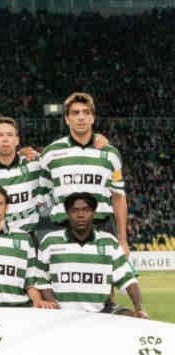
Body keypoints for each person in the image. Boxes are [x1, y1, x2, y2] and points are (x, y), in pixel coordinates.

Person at [39, 92, 129, 256]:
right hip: (62, 232)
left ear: (93, 118)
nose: (81, 117)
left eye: (86, 112)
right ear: (67, 119)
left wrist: (123, 240)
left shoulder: (110, 154)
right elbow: (43, 199)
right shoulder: (51, 153)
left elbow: (118, 197)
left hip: (101, 230)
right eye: (75, 113)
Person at [37, 192, 148, 317]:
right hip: (62, 313)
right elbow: (41, 279)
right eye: (75, 210)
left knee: (131, 317)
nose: (80, 215)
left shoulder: (108, 242)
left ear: (93, 213)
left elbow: (128, 279)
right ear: (67, 214)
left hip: (101, 311)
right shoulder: (50, 242)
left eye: (86, 210)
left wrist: (139, 308)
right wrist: (52, 303)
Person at [0, 117, 42, 234]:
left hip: (26, 237)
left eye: (10, 135)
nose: (5, 139)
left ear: (17, 140)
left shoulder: (34, 164)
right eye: (0, 135)